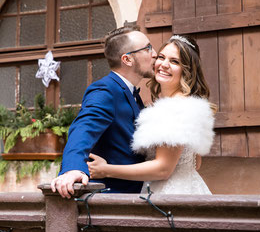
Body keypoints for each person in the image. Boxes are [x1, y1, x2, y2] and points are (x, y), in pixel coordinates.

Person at [87, 35, 215, 194]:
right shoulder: (186, 104)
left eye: (175, 61)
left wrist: (106, 170)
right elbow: (195, 163)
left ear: (187, 70)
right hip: (186, 186)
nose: (164, 64)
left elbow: (163, 169)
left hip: (170, 194)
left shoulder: (175, 108)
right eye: (161, 57)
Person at [50, 24, 158, 198]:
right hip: (112, 201)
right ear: (127, 59)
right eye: (147, 48)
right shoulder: (105, 90)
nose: (155, 54)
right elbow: (84, 127)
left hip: (134, 197)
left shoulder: (133, 95)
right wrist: (73, 168)